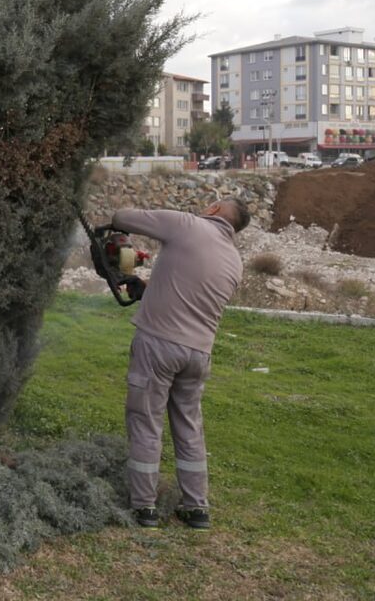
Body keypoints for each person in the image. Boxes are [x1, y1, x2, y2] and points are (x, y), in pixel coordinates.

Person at [110, 197, 249, 530]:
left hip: (158, 345)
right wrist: (147, 289)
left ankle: (144, 506)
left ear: (215, 209)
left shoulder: (187, 224)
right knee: (188, 428)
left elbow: (122, 216)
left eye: (211, 203)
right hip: (198, 354)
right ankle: (195, 507)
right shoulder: (233, 260)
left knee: (146, 421)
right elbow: (189, 296)